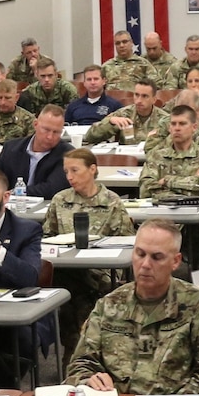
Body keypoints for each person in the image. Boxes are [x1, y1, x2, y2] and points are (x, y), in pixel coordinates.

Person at [67, 219, 199, 395]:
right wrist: (88, 380)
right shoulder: (110, 305)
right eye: (140, 254)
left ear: (175, 261)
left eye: (156, 257)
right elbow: (80, 364)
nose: (145, 264)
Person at [43, 149, 136, 355]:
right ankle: (76, 348)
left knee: (78, 287)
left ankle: (79, 351)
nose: (69, 177)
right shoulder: (60, 200)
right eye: (66, 171)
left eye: (75, 170)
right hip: (67, 268)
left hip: (101, 269)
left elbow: (128, 243)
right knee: (68, 286)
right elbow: (47, 237)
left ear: (92, 169)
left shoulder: (111, 201)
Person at [140, 105, 199, 199]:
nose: (177, 128)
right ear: (169, 128)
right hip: (160, 210)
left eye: (182, 123)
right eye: (173, 124)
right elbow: (145, 190)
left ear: (194, 127)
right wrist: (192, 181)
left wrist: (166, 181)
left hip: (196, 210)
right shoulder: (156, 156)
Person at [0, 106, 72, 198]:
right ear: (35, 124)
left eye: (56, 132)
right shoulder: (11, 148)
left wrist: (15, 192)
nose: (50, 136)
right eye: (46, 130)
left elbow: (52, 188)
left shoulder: (67, 154)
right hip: (10, 205)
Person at [84, 78, 168, 145]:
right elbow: (90, 137)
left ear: (154, 99)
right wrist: (110, 122)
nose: (139, 100)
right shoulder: (123, 114)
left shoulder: (164, 119)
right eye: (136, 95)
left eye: (144, 96)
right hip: (127, 161)